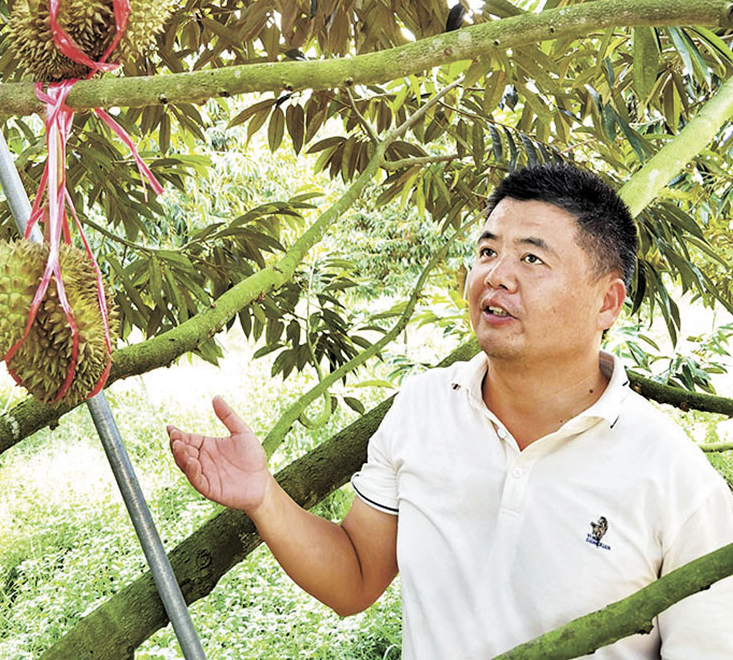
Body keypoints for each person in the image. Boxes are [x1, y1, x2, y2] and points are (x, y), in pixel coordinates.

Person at [167, 163, 733, 658]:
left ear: (606, 302)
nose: (495, 275)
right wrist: (264, 495)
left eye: (531, 258)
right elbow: (355, 576)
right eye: (487, 252)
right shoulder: (422, 409)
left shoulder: (676, 479)